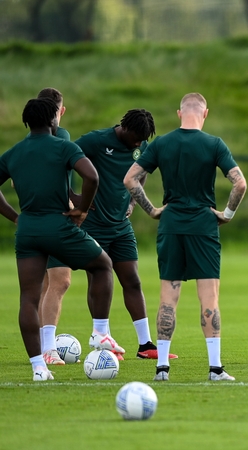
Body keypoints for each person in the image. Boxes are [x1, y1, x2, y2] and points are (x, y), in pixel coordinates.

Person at [123, 93, 247, 381]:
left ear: (180, 113)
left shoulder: (162, 143)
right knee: (209, 298)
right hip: (204, 227)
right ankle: (215, 368)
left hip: (171, 225)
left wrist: (153, 210)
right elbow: (240, 184)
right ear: (205, 114)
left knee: (169, 298)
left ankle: (162, 367)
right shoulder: (214, 144)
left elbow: (130, 179)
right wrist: (227, 214)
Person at [0, 98, 120, 381]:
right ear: (54, 119)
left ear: (27, 122)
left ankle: (39, 368)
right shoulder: (63, 146)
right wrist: (82, 209)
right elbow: (91, 176)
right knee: (103, 265)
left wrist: (15, 217)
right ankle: (101, 333)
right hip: (59, 226)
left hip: (27, 230)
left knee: (28, 299)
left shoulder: (14, 153)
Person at [67, 110, 176, 360]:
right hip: (93, 223)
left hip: (121, 226)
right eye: (137, 138)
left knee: (133, 280)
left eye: (143, 139)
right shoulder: (96, 141)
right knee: (99, 280)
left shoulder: (141, 144)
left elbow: (142, 171)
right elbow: (63, 160)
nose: (139, 143)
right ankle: (101, 340)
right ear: (125, 129)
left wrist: (133, 202)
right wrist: (71, 196)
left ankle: (145, 345)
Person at [33, 87, 77, 365]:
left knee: (47, 283)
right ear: (60, 111)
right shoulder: (61, 136)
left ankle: (40, 346)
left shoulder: (29, 139)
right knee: (62, 281)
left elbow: (15, 180)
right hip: (57, 219)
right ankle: (48, 350)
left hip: (32, 219)